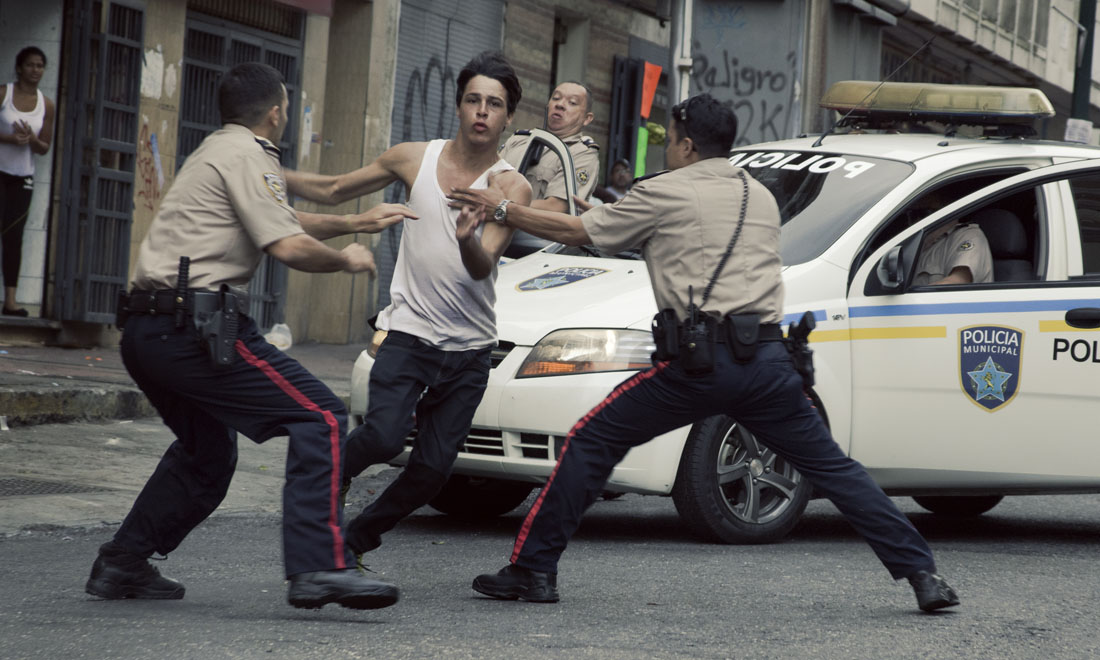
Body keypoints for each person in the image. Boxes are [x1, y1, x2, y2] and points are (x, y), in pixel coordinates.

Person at [450, 93, 960, 613]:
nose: (666, 148)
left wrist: (505, 209)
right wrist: (621, 217)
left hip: (699, 364)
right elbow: (693, 239)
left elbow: (580, 232)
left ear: (688, 145)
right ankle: (923, 574)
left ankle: (533, 571)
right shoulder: (759, 193)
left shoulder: (666, 188)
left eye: (669, 139)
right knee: (835, 468)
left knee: (591, 439)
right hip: (768, 362)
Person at [84, 62, 413, 611]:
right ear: (278, 112)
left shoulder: (216, 150)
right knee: (322, 417)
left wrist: (354, 222)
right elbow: (286, 244)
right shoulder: (248, 155)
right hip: (194, 327)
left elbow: (286, 212)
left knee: (208, 454)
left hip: (148, 331)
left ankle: (123, 562)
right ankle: (318, 567)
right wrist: (346, 259)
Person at [283, 51, 532, 561]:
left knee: (431, 473)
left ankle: (352, 543)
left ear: (508, 117)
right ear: (459, 105)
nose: (482, 112)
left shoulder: (511, 187)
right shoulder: (412, 159)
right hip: (409, 333)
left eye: (494, 104)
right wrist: (265, 177)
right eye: (473, 100)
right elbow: (333, 190)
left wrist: (467, 237)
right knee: (381, 436)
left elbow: (483, 265)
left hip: (469, 351)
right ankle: (330, 478)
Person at [497, 80, 599, 257]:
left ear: (587, 118)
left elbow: (557, 207)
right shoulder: (518, 140)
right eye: (556, 98)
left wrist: (501, 206)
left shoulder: (582, 154)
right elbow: (486, 179)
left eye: (572, 102)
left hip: (538, 249)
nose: (560, 105)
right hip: (493, 235)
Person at [0, 46, 54, 317]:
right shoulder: (4, 93)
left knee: (13, 236)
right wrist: (9, 138)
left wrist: (31, 140)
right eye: (31, 65)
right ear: (20, 67)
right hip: (0, 171)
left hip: (23, 176)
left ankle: (10, 300)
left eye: (40, 65)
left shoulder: (47, 104)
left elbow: (44, 147)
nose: (36, 70)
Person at [913, 219, 993, 285]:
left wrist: (915, 299)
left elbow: (959, 281)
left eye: (922, 212)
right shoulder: (919, 242)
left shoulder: (969, 235)